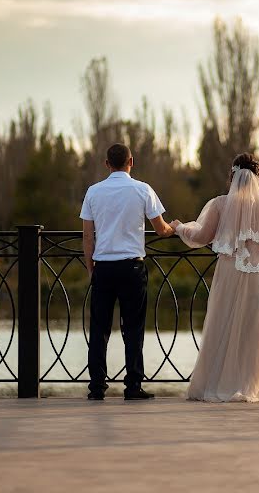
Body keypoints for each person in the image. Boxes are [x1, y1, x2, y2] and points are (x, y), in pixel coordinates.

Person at [172, 152, 259, 402]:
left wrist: (179, 228)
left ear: (232, 176)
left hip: (230, 272)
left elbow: (201, 237)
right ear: (257, 177)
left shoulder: (220, 204)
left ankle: (222, 382)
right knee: (257, 327)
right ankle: (252, 383)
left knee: (224, 322)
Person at [80, 143, 176, 400]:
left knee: (99, 329)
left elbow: (88, 237)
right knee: (133, 329)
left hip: (104, 268)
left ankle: (97, 388)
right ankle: (133, 386)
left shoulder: (93, 192)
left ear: (106, 163)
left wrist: (91, 268)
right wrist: (174, 227)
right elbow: (160, 229)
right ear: (131, 161)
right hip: (132, 267)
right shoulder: (142, 190)